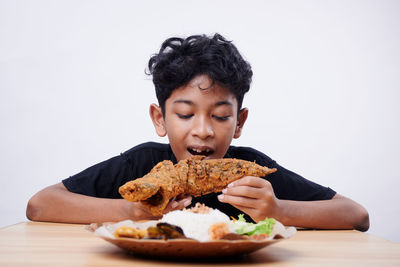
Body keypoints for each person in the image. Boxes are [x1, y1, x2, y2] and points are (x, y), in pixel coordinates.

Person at [26, 33, 369, 231]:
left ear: (239, 123)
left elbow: (357, 215)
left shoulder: (250, 173)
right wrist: (132, 212)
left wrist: (279, 210)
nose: (203, 131)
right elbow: (40, 205)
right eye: (186, 114)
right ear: (160, 119)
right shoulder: (144, 165)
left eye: (220, 116)